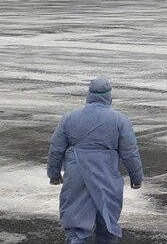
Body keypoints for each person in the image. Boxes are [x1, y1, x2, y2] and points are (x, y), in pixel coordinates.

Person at [47, 77, 144, 244]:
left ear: (89, 95)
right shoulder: (120, 120)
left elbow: (56, 148)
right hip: (106, 175)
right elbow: (130, 152)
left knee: (76, 224)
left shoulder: (70, 118)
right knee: (107, 221)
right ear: (109, 96)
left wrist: (54, 173)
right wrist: (136, 176)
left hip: (77, 175)